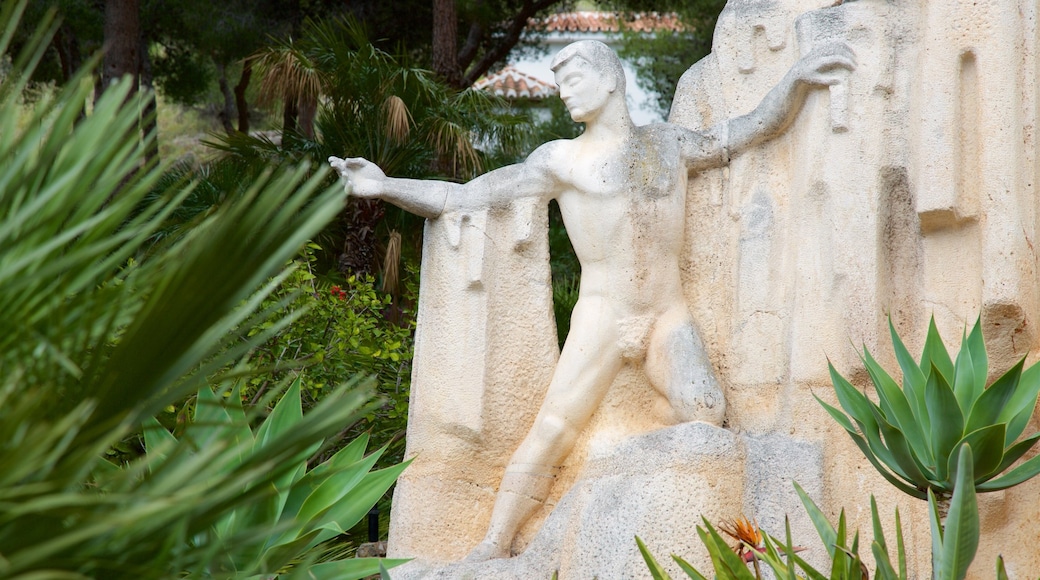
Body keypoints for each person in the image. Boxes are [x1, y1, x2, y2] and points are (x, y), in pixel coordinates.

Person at [330, 39, 855, 561]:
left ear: (611, 80)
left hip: (665, 314)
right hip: (604, 316)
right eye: (559, 85)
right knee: (554, 428)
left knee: (704, 409)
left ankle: (634, 465)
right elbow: (464, 197)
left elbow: (748, 130)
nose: (563, 94)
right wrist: (384, 185)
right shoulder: (562, 160)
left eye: (573, 81)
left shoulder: (667, 143)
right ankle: (497, 541)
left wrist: (796, 79)